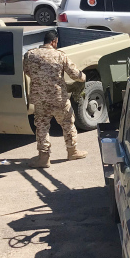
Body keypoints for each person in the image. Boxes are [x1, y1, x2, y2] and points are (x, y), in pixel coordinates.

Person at [23, 31, 87, 168]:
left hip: (40, 99)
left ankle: (44, 158)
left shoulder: (30, 55)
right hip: (59, 98)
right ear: (54, 41)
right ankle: (72, 152)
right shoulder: (59, 55)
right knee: (68, 123)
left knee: (42, 127)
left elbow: (27, 71)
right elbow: (75, 74)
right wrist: (84, 77)